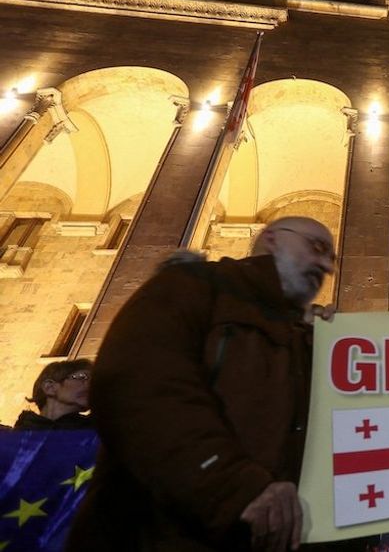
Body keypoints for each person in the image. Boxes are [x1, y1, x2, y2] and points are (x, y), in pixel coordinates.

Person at [67, 216, 336, 552]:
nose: (327, 266)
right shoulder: (189, 286)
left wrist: (330, 347)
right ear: (272, 239)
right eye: (317, 247)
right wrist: (233, 487)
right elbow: (141, 388)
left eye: (332, 258)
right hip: (161, 535)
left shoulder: (308, 334)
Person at [14, 359, 94, 430]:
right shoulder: (17, 438)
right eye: (82, 377)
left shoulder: (97, 430)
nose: (91, 384)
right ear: (49, 387)